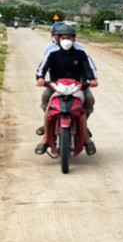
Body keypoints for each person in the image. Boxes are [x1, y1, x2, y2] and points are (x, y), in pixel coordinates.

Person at [34, 24, 98, 155]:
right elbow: (42, 67)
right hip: (57, 85)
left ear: (74, 39)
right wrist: (40, 78)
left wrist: (92, 79)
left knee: (89, 100)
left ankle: (84, 134)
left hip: (77, 85)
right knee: (46, 101)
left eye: (69, 37)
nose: (66, 40)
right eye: (63, 37)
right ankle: (46, 138)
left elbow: (89, 67)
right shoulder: (52, 52)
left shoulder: (80, 52)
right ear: (57, 38)